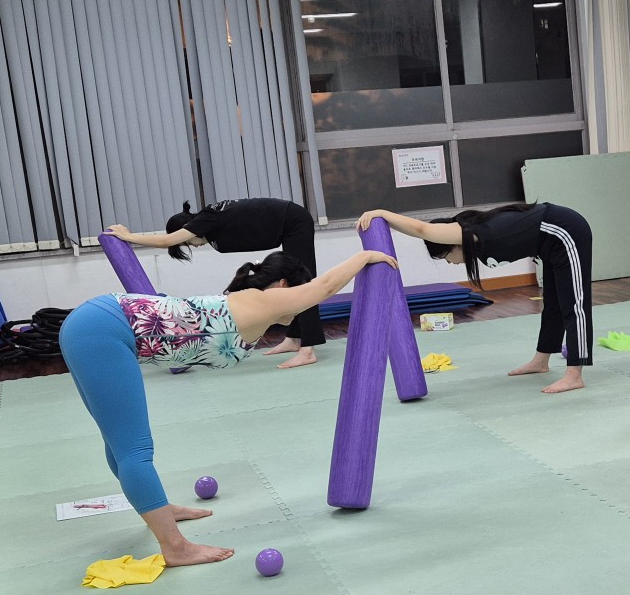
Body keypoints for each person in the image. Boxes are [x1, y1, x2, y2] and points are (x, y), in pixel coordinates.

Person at [58, 248, 396, 567]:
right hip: (101, 330)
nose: (300, 307)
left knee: (119, 445)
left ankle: (158, 509)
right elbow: (325, 286)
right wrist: (365, 255)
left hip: (96, 325)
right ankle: (175, 547)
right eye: (298, 291)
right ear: (283, 285)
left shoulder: (250, 302)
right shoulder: (265, 300)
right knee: (134, 450)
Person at [359, 203, 593, 394]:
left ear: (454, 244)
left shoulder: (472, 233)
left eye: (446, 256)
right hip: (549, 243)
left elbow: (422, 229)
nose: (449, 262)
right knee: (553, 303)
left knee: (574, 304)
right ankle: (541, 361)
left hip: (565, 231)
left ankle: (574, 375)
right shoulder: (474, 235)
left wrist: (382, 213)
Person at [107, 198, 324, 368]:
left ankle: (308, 351)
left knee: (302, 287)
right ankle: (294, 339)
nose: (194, 246)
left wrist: (129, 236)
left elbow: (167, 240)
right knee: (292, 285)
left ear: (188, 228)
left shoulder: (206, 219)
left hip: (294, 221)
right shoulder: (211, 223)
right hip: (287, 223)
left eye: (187, 242)